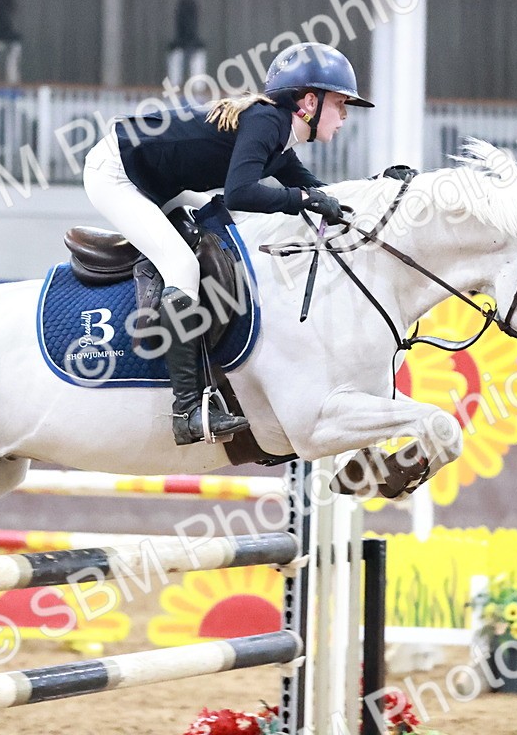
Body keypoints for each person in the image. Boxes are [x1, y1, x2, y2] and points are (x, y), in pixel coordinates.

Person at [82, 42, 373, 445]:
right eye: (341, 104)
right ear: (309, 101)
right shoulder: (267, 122)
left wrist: (375, 194)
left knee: (234, 233)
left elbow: (316, 190)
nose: (343, 116)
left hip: (161, 182)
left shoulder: (281, 140)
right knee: (181, 267)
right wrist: (302, 201)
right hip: (117, 174)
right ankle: (186, 411)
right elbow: (241, 193)